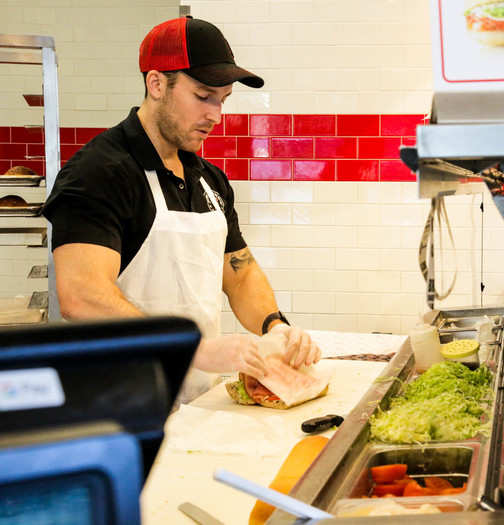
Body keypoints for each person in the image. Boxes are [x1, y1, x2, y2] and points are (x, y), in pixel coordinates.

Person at [42, 16, 321, 401]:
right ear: (156, 84)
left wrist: (274, 327)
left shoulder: (209, 179)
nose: (215, 115)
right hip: (117, 405)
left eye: (223, 100)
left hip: (195, 399)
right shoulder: (99, 173)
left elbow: (239, 274)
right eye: (203, 96)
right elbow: (81, 293)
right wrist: (193, 347)